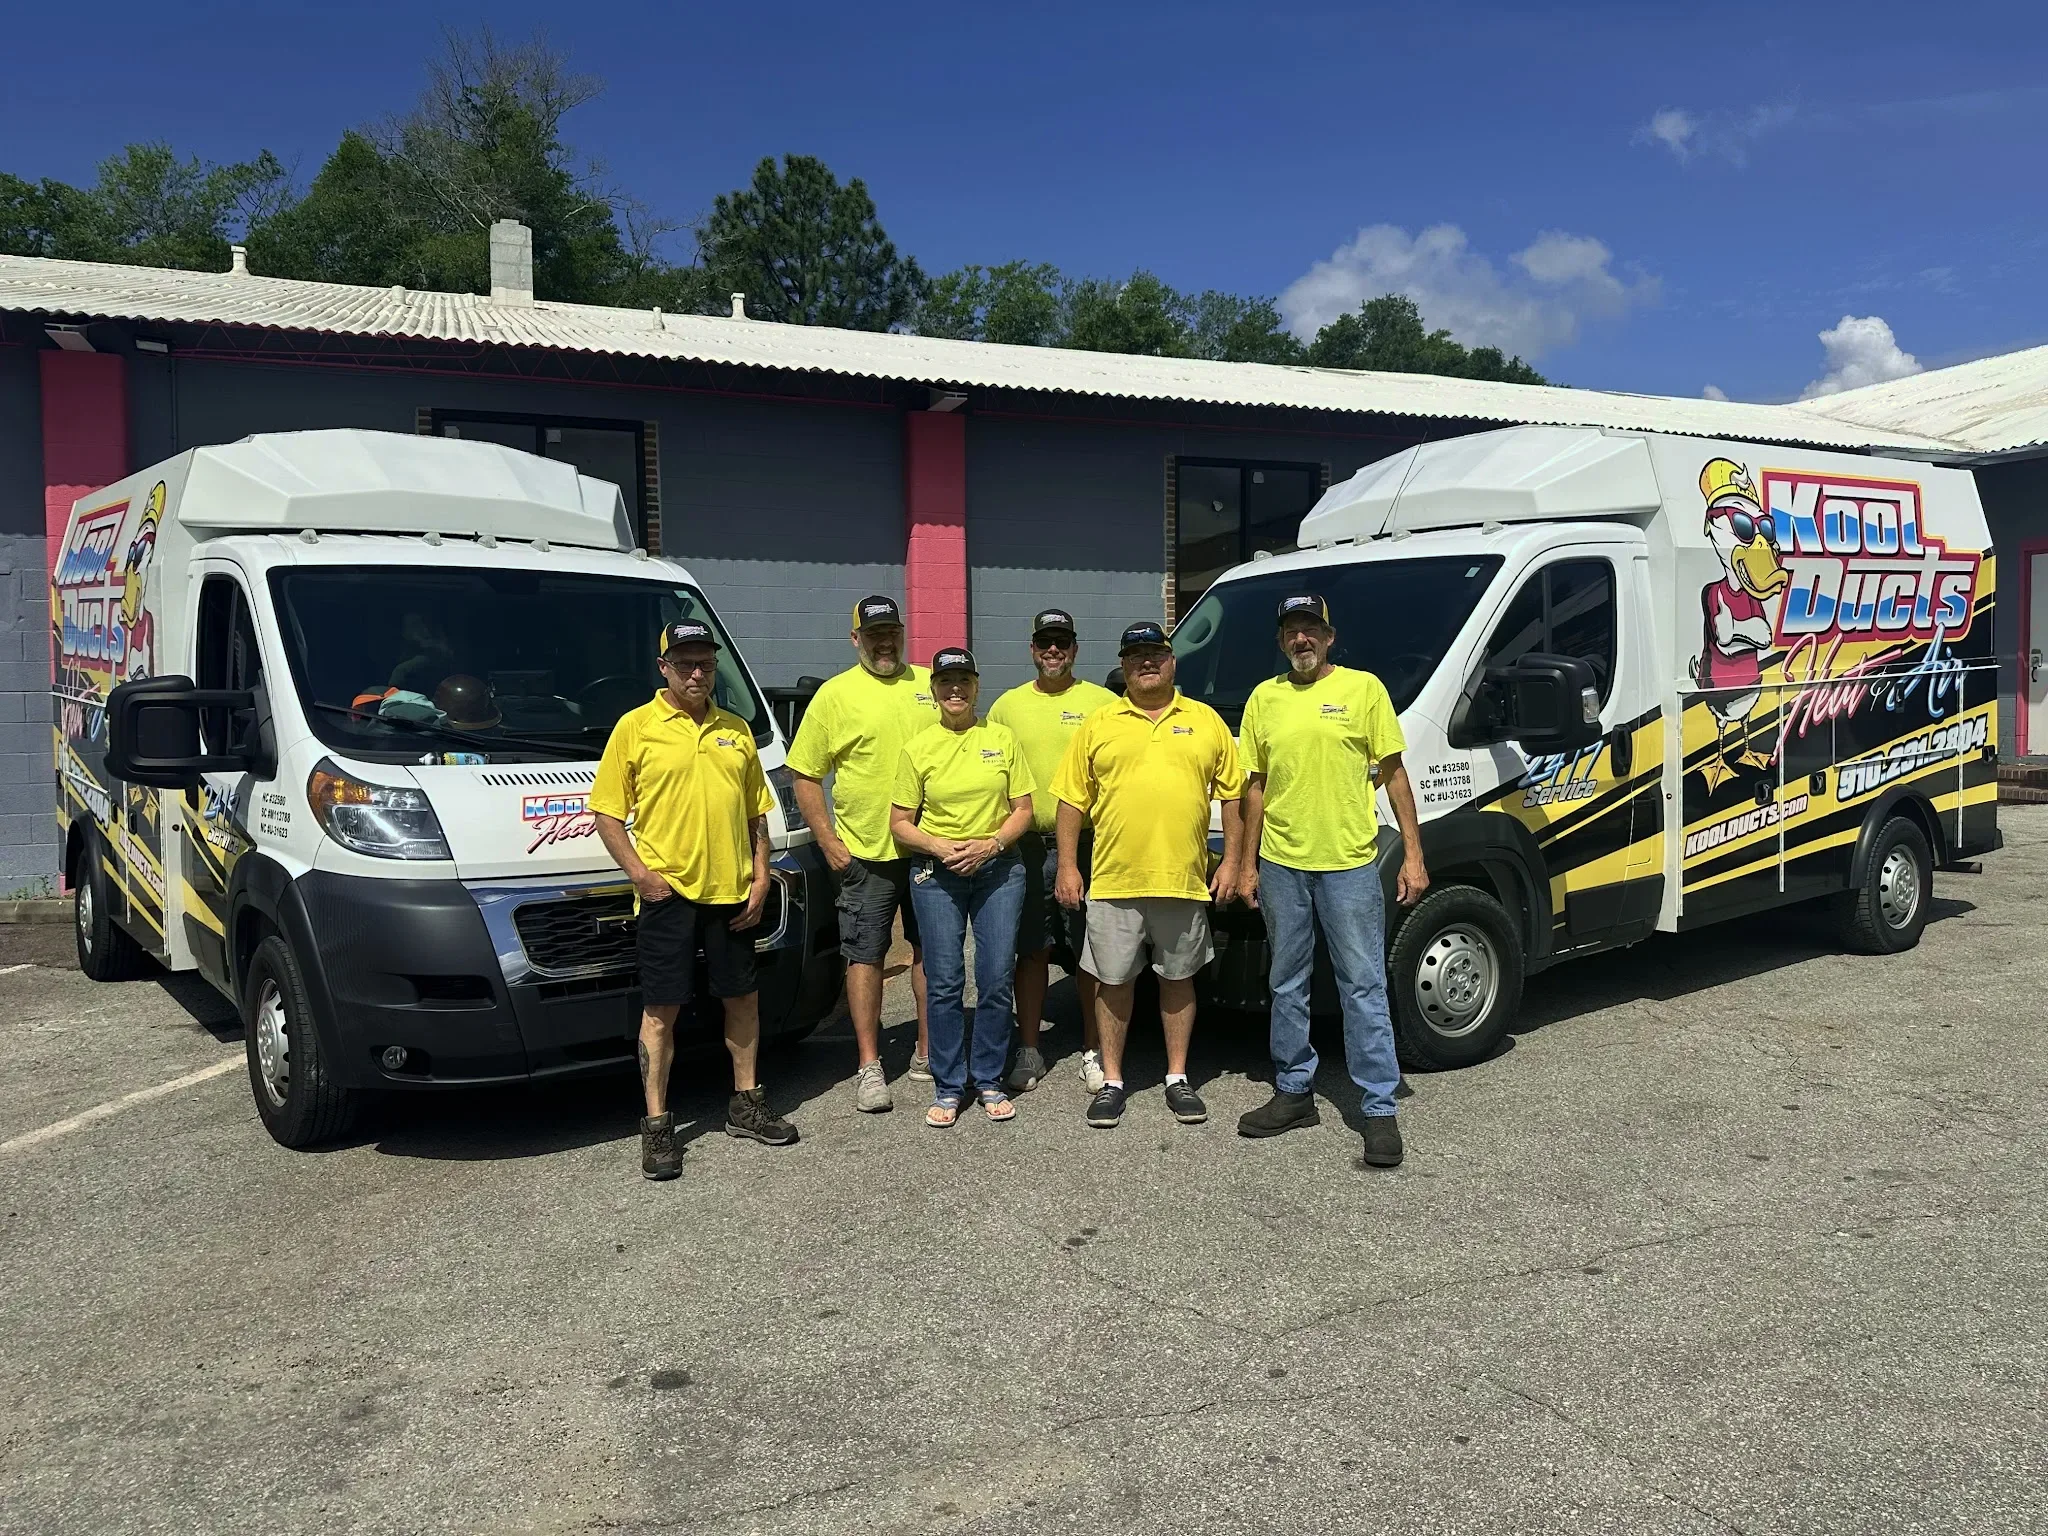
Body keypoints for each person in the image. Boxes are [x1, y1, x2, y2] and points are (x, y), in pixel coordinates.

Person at [592, 620, 797, 1181]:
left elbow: (756, 813)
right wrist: (641, 876)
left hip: (733, 892)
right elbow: (606, 813)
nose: (697, 673)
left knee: (742, 999)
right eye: (685, 663)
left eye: (706, 663)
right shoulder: (635, 728)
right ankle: (658, 1125)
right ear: (664, 668)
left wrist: (761, 877)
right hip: (669, 895)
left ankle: (746, 1104)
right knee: (662, 1011)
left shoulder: (736, 730)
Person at [1234, 594, 1428, 1169]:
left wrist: (1414, 855)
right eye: (1292, 631)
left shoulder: (1363, 690)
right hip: (1282, 864)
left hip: (1349, 864)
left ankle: (1379, 1107)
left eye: (1310, 630)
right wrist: (1246, 863)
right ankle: (1294, 1090)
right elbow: (1254, 787)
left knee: (1362, 985)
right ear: (1281, 641)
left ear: (1329, 636)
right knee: (1286, 982)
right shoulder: (1263, 698)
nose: (1302, 639)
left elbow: (1394, 772)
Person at [1052, 621, 1245, 1129]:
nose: (1146, 663)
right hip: (1114, 881)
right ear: (1124, 665)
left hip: (1183, 880)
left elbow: (1233, 795)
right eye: (1135, 655)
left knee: (1178, 981)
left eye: (1155, 654)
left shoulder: (1206, 721)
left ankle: (1177, 1077)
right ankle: (1113, 1082)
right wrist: (1068, 866)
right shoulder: (1099, 723)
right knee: (1113, 983)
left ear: (1172, 661)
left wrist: (1231, 861)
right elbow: (1071, 800)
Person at [787, 596, 940, 1113]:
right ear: (856, 639)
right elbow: (805, 774)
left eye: (892, 632)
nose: (884, 642)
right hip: (866, 855)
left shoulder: (930, 685)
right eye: (874, 634)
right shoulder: (834, 696)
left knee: (930, 952)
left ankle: (926, 1052)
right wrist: (828, 840)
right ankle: (870, 1065)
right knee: (865, 955)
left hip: (929, 849)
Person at [889, 648, 1036, 1126]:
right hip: (938, 874)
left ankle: (989, 1078)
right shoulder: (918, 748)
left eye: (964, 681)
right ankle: (949, 1084)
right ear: (934, 690)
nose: (955, 689)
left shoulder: (1001, 738)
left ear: (976, 686)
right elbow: (900, 823)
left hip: (998, 869)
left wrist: (991, 845)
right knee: (945, 980)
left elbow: (1023, 810)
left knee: (995, 976)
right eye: (946, 682)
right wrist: (938, 845)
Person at [987, 609, 1118, 1094]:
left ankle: (1093, 1049)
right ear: (1033, 649)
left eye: (1062, 642)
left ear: (1075, 649)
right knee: (1031, 949)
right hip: (1025, 846)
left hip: (1089, 844)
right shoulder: (1007, 707)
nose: (1054, 650)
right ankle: (1029, 1048)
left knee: (1090, 949)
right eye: (1045, 642)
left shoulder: (1103, 703)